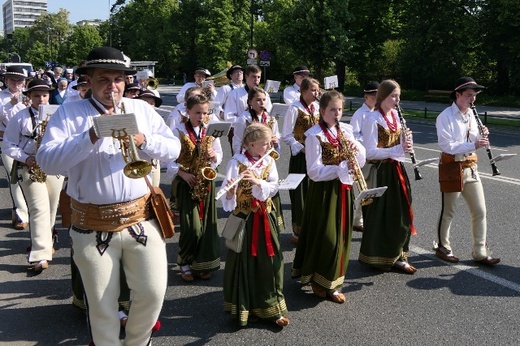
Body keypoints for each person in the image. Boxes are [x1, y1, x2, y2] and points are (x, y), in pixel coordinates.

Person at [36, 46, 180, 345]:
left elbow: (173, 149)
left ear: (126, 81)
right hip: (92, 224)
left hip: (140, 219)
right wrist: (90, 135)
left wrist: (144, 140)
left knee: (153, 293)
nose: (112, 87)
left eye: (118, 79)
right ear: (88, 80)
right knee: (102, 306)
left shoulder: (141, 109)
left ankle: (138, 343)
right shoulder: (70, 113)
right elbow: (48, 161)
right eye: (103, 79)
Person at [292, 90, 365, 304]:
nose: (337, 113)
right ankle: (317, 279)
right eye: (332, 109)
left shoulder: (346, 131)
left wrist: (355, 152)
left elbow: (361, 157)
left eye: (340, 109)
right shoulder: (314, 135)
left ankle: (332, 282)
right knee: (325, 236)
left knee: (341, 236)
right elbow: (313, 171)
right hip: (323, 192)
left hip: (342, 188)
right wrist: (341, 167)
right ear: (322, 111)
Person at [219, 122, 289, 327]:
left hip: (264, 217)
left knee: (271, 263)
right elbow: (228, 195)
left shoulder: (269, 160)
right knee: (244, 265)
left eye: (268, 143)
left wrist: (258, 182)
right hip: (245, 219)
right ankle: (245, 307)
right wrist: (231, 192)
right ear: (250, 145)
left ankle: (272, 308)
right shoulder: (236, 162)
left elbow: (274, 187)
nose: (268, 147)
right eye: (264, 144)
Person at [434, 77, 500, 266]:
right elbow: (447, 145)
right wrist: (474, 143)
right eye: (469, 95)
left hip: (471, 167)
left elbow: (472, 140)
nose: (472, 99)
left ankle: (480, 251)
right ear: (458, 95)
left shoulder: (471, 114)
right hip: (452, 166)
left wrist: (481, 135)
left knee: (480, 211)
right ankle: (442, 246)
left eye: (475, 96)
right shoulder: (445, 116)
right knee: (449, 210)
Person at [2, 79, 64, 272]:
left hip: (54, 166)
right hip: (30, 167)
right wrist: (26, 158)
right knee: (38, 209)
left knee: (53, 209)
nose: (41, 99)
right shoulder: (20, 117)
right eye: (36, 95)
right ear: (29, 97)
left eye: (45, 95)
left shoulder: (59, 115)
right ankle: (40, 255)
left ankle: (48, 241)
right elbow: (8, 144)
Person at [358, 79, 418, 274]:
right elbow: (369, 152)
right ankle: (378, 255)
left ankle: (399, 254)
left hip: (396, 170)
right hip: (380, 172)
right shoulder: (372, 118)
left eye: (399, 96)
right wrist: (397, 148)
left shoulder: (396, 116)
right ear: (382, 96)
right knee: (381, 215)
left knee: (401, 212)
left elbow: (397, 148)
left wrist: (406, 142)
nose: (397, 99)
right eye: (393, 96)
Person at [167, 94, 223, 282]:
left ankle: (200, 264)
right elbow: (168, 160)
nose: (202, 116)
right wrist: (183, 174)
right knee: (191, 228)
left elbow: (220, 155)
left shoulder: (211, 130)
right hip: (186, 182)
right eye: (198, 112)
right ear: (188, 111)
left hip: (205, 183)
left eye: (205, 113)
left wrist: (214, 155)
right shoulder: (177, 130)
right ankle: (184, 263)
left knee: (206, 228)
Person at [281, 77, 320, 243]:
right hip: (301, 156)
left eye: (317, 90)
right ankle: (298, 231)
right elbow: (286, 135)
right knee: (300, 193)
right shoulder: (294, 108)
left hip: (315, 156)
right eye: (312, 90)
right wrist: (302, 148)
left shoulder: (317, 107)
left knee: (314, 192)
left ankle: (312, 227)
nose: (316, 93)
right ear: (303, 91)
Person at [0, 66, 29, 230]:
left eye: (19, 80)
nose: (16, 83)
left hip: (28, 142)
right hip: (7, 140)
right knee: (14, 176)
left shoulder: (30, 94)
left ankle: (28, 208)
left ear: (24, 82)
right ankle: (20, 214)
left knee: (28, 177)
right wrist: (11, 104)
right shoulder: (1, 96)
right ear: (6, 80)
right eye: (12, 79)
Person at [349, 81, 379, 232]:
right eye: (373, 96)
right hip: (364, 156)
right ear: (366, 96)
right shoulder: (360, 114)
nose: (376, 98)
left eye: (378, 96)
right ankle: (357, 219)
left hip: (376, 155)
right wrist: (368, 142)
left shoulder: (378, 113)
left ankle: (360, 219)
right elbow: (353, 136)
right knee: (364, 188)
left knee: (373, 188)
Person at [224, 65, 272, 155]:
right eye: (253, 77)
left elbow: (268, 113)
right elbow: (229, 116)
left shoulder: (264, 94)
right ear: (246, 77)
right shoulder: (235, 93)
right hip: (241, 133)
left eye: (258, 77)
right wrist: (245, 122)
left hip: (261, 135)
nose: (256, 80)